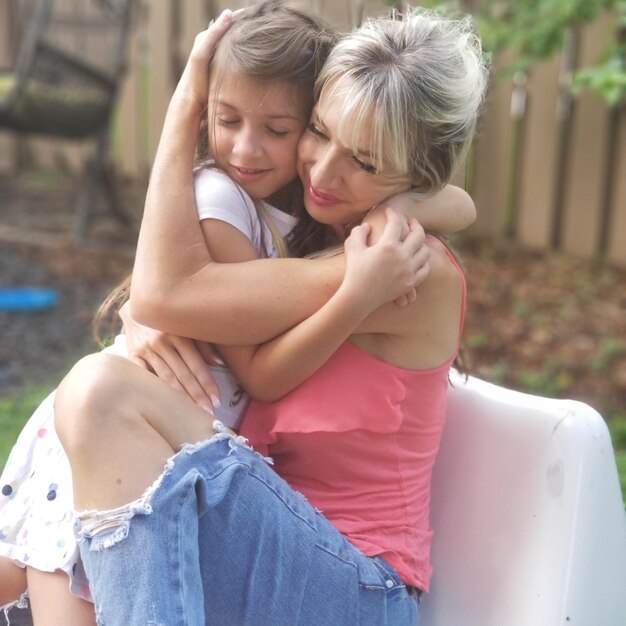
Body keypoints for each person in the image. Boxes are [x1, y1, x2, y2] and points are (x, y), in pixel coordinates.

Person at [0, 2, 476, 624]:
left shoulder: (397, 265)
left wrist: (184, 104)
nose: (325, 171)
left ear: (416, 176)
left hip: (359, 586)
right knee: (19, 560)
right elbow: (183, 306)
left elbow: (176, 300)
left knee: (98, 393)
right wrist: (161, 321)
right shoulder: (326, 232)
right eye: (321, 132)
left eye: (364, 161)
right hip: (262, 539)